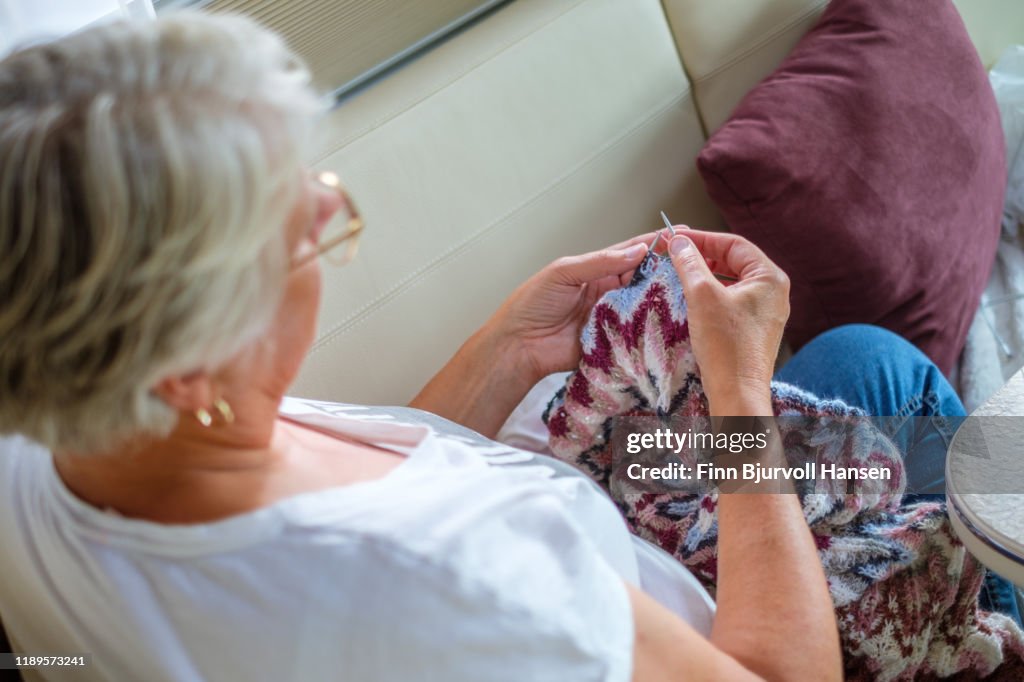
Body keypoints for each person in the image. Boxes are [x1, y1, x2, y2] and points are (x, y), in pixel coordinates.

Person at [0, 13, 990, 682]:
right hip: (746, 639)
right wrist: (736, 395)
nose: (328, 205)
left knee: (862, 367)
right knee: (907, 402)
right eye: (300, 231)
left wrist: (509, 348)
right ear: (190, 360)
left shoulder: (52, 436)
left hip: (646, 551)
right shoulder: (461, 581)